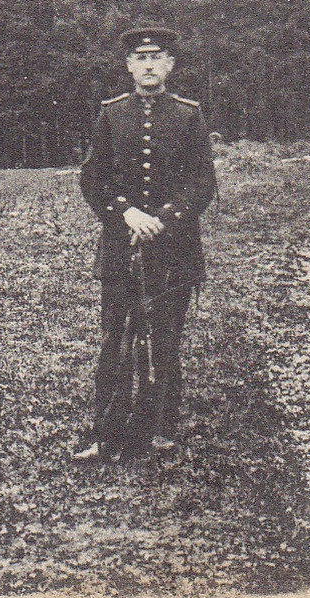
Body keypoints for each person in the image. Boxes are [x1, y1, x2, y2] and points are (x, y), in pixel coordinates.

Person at [73, 27, 217, 462]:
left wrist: (165, 218)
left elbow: (202, 182)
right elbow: (93, 178)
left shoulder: (189, 115)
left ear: (170, 65)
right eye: (141, 58)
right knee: (115, 338)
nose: (150, 65)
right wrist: (128, 214)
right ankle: (107, 432)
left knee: (165, 337)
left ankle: (160, 429)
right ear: (129, 66)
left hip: (174, 248)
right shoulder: (110, 115)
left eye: (158, 58)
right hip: (122, 245)